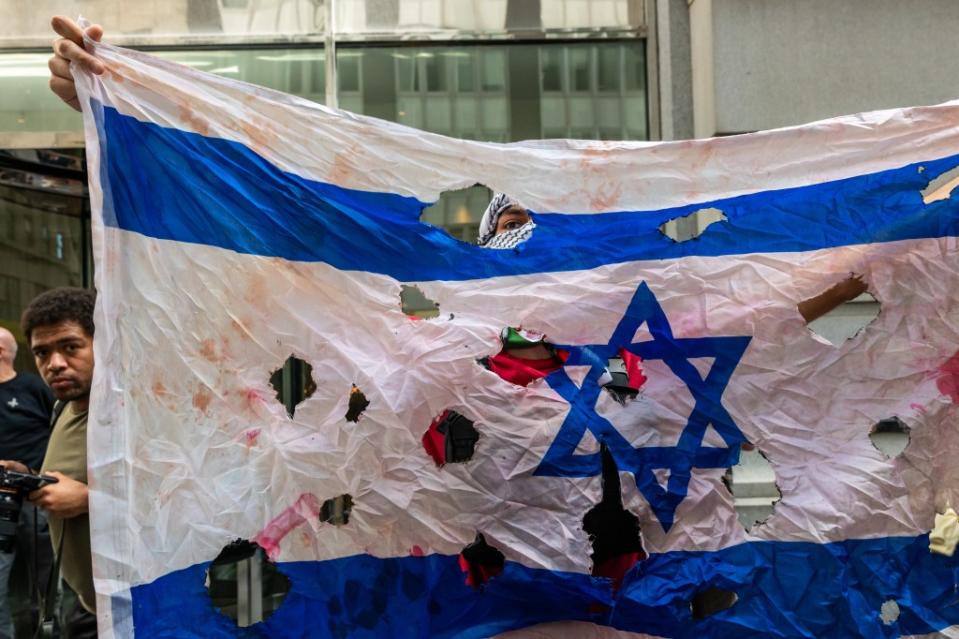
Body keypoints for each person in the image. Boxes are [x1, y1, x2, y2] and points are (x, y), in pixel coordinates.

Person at [0, 288, 98, 639]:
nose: (54, 363)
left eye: (70, 347)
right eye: (42, 352)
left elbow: (190, 503)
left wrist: (89, 500)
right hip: (88, 605)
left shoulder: (135, 414)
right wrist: (29, 479)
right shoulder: (62, 407)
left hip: (139, 609)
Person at [0, 328, 54, 639]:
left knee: (46, 581)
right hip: (0, 503)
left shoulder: (33, 387)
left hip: (38, 498)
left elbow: (59, 430)